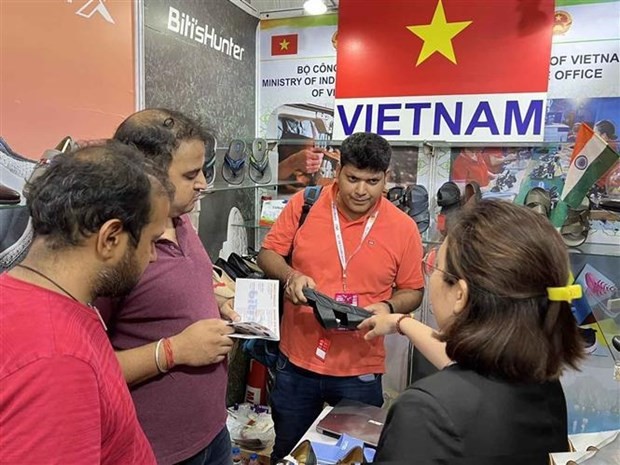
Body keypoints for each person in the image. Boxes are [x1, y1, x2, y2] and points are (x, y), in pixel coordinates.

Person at [359, 200, 584, 463]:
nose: (430, 277)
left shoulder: (427, 412)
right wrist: (400, 322)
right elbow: (467, 376)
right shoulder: (543, 383)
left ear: (460, 294)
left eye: (435, 267)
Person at [257, 131, 425, 461]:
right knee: (288, 452)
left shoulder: (403, 228)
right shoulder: (305, 204)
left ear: (386, 178)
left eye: (372, 181)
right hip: (297, 363)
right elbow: (267, 255)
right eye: (353, 178)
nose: (361, 190)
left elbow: (413, 290)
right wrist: (291, 275)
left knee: (352, 457)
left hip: (359, 370)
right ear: (338, 170)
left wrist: (388, 306)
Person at [0, 142, 172, 463]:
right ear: (110, 238)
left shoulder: (30, 296)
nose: (153, 256)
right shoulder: (57, 362)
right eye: (151, 241)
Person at [98, 109, 238, 465]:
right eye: (191, 174)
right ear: (147, 175)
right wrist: (174, 350)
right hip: (156, 451)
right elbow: (89, 371)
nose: (204, 183)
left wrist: (213, 301)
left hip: (212, 433)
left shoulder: (181, 219)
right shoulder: (114, 251)